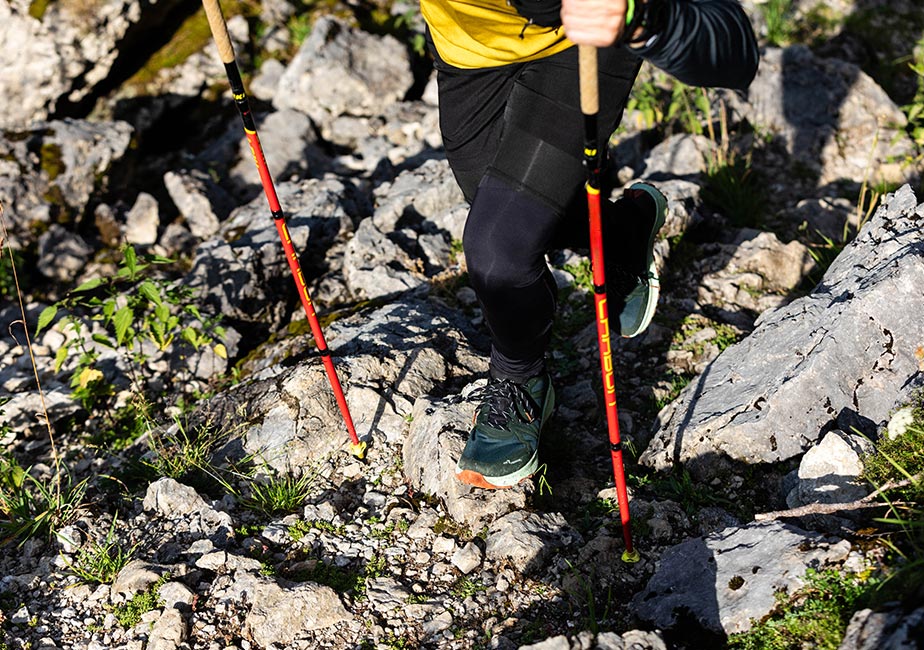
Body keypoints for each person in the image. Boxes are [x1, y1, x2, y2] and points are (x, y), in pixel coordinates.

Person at [418, 0, 759, 488]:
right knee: (511, 210)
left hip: (584, 41)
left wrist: (642, 17)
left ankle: (519, 381)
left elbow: (735, 51)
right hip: (469, 48)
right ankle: (623, 232)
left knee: (497, 251)